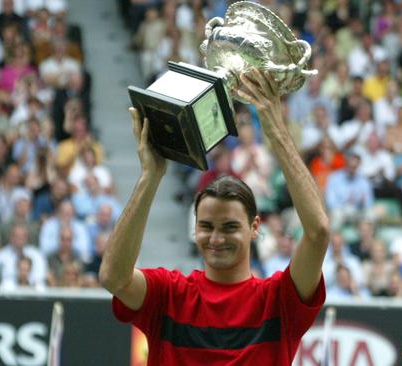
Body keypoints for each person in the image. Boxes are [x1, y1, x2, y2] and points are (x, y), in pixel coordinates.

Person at [99, 70, 330, 365]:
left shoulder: (279, 301)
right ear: (195, 228)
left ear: (254, 227)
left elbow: (318, 232)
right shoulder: (170, 295)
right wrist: (150, 177)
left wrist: (276, 133)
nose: (216, 238)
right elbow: (113, 277)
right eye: (206, 227)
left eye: (230, 227)